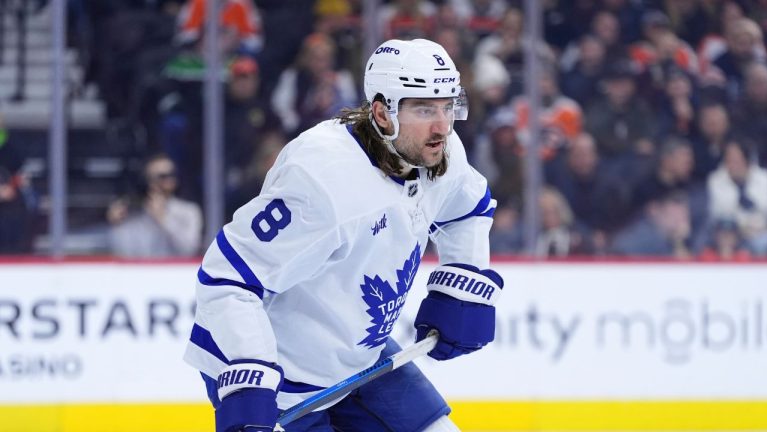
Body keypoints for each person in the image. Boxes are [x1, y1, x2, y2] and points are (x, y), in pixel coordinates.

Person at [183, 38, 503, 432]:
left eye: (447, 106)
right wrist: (249, 380)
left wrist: (463, 285)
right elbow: (228, 278)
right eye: (424, 108)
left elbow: (468, 206)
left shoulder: (437, 149)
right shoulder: (320, 179)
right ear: (383, 113)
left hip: (361, 363)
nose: (442, 126)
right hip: (281, 382)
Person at [107, 153, 202, 257]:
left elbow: (189, 250)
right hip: (141, 271)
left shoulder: (188, 211)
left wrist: (164, 219)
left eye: (172, 174)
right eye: (162, 176)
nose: (169, 179)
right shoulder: (135, 213)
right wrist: (116, 225)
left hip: (176, 272)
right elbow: (122, 252)